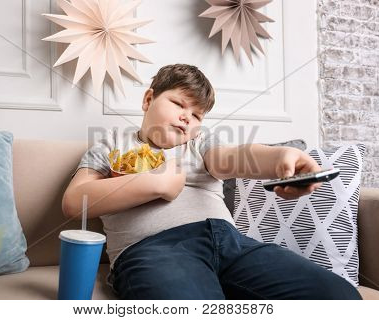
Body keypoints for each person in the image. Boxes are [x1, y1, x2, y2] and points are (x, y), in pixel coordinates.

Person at [62, 64, 362, 300]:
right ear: (149, 99)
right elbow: (75, 202)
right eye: (179, 104)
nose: (187, 118)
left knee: (340, 297)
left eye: (197, 115)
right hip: (153, 250)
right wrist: (155, 183)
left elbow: (230, 158)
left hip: (232, 245)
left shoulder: (201, 142)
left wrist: (282, 156)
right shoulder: (111, 143)